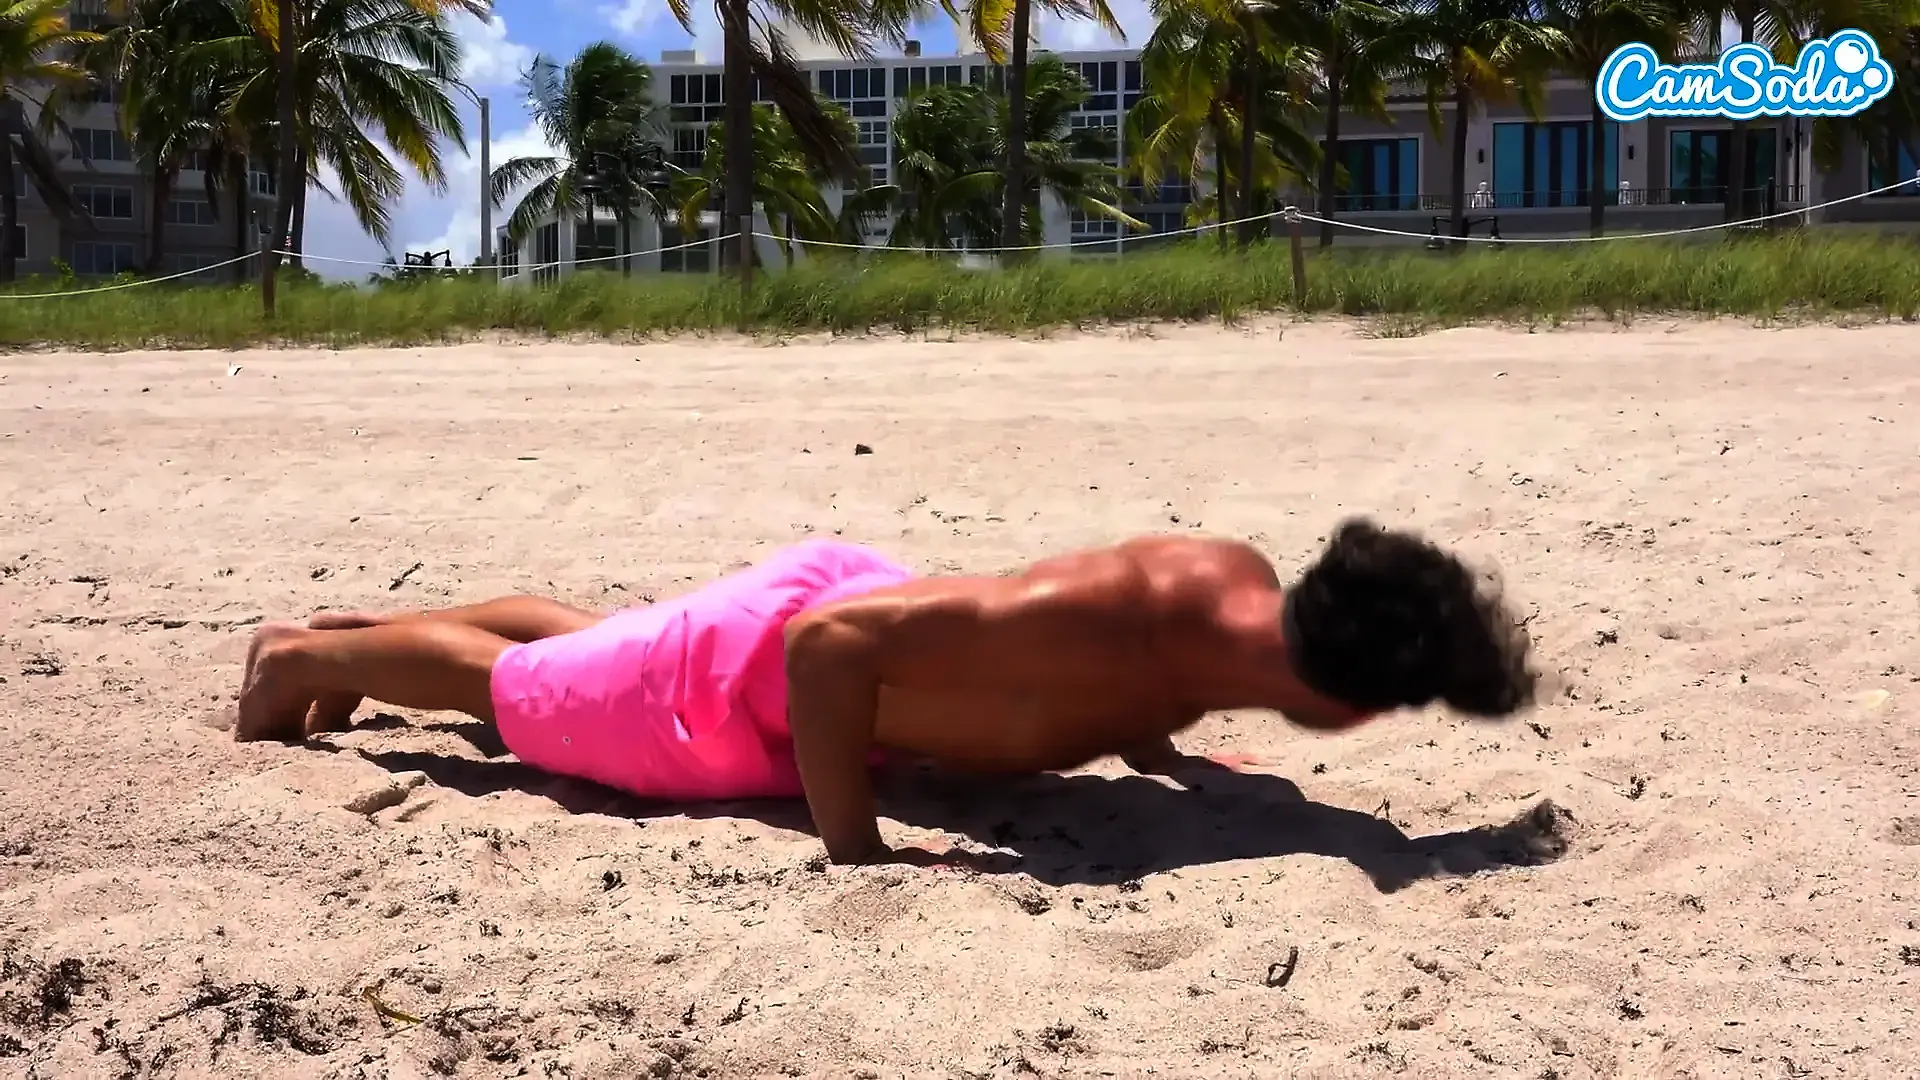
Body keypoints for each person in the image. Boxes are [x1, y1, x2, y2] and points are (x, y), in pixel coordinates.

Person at [234, 518, 1537, 864]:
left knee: (601, 649)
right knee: (530, 697)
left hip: (863, 627)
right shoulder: (1106, 618)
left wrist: (1170, 760)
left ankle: (370, 634)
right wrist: (856, 848)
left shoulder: (1235, 589)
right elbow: (824, 651)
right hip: (769, 678)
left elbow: (1150, 676)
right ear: (1347, 699)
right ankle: (303, 659)